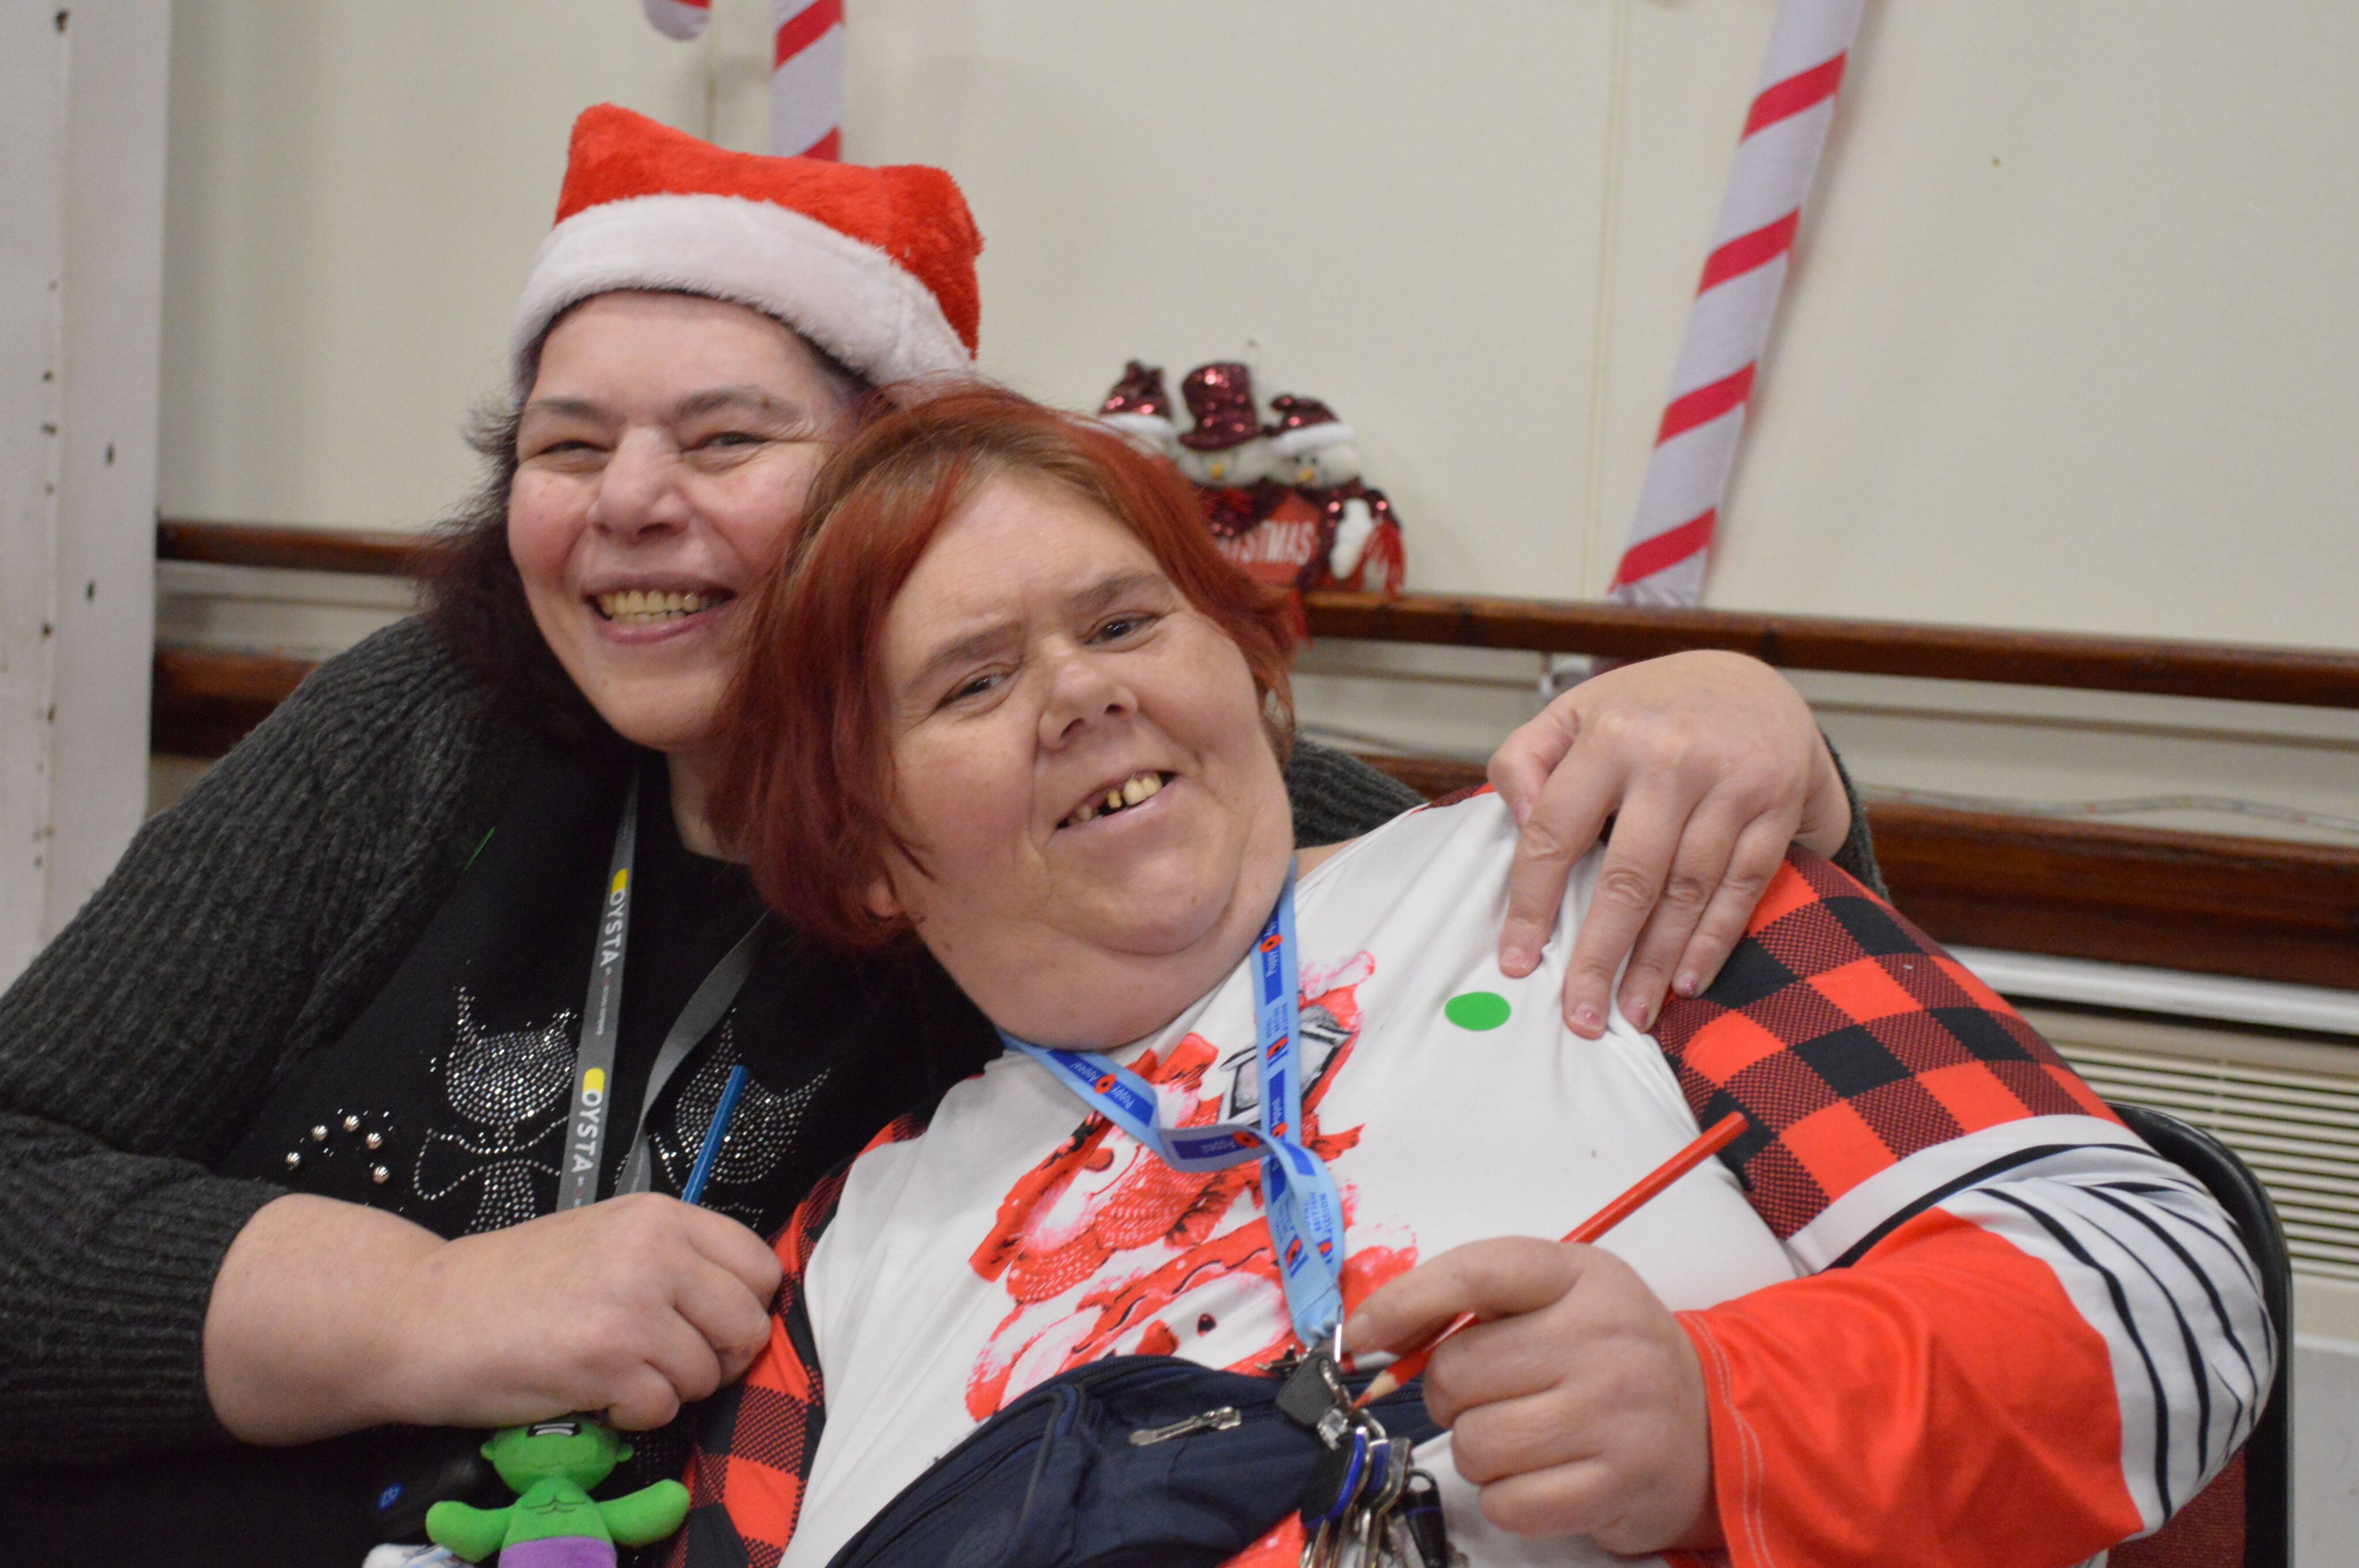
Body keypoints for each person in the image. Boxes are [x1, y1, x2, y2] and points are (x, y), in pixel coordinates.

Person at [0, 108, 1867, 1561]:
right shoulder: (413, 734)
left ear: (900, 482)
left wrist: (1770, 742)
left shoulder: (1114, 802)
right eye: (566, 451)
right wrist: (418, 1307)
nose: (629, 502)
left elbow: (1652, 973)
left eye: (724, 440)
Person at [680, 386, 2271, 1568]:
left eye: (1123, 618)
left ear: (1242, 662)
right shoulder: (860, 1240)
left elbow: (2167, 1293)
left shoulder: (1592, 868)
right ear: (868, 851)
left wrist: (1728, 1416)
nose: (1084, 692)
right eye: (973, 680)